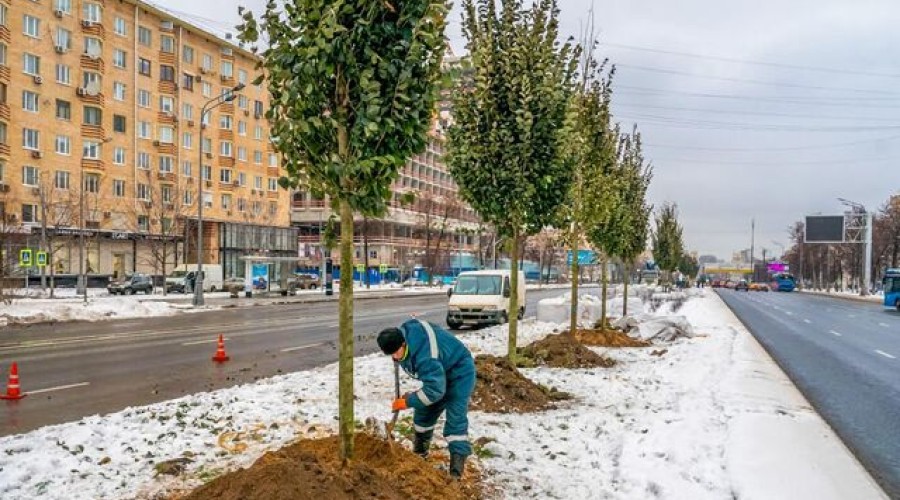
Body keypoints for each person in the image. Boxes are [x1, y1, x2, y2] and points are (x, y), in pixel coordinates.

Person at [377, 318, 476, 479]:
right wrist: (414, 399)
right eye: (391, 355)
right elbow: (434, 386)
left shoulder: (426, 356)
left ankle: (456, 473)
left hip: (459, 374)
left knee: (455, 422)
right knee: (423, 414)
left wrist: (408, 401)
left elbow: (435, 390)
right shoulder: (403, 339)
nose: (395, 357)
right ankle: (419, 456)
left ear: (403, 344)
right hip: (439, 374)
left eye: (396, 352)